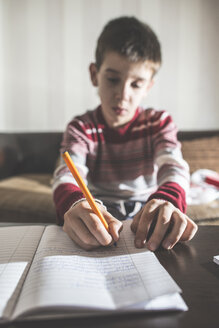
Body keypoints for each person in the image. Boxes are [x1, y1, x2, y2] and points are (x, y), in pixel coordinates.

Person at [53, 16, 197, 251]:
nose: (122, 94)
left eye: (136, 84)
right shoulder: (81, 128)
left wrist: (168, 200)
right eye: (112, 79)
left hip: (147, 207)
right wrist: (75, 203)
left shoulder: (159, 123)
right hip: (98, 208)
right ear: (94, 75)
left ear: (149, 86)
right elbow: (66, 175)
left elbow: (174, 167)